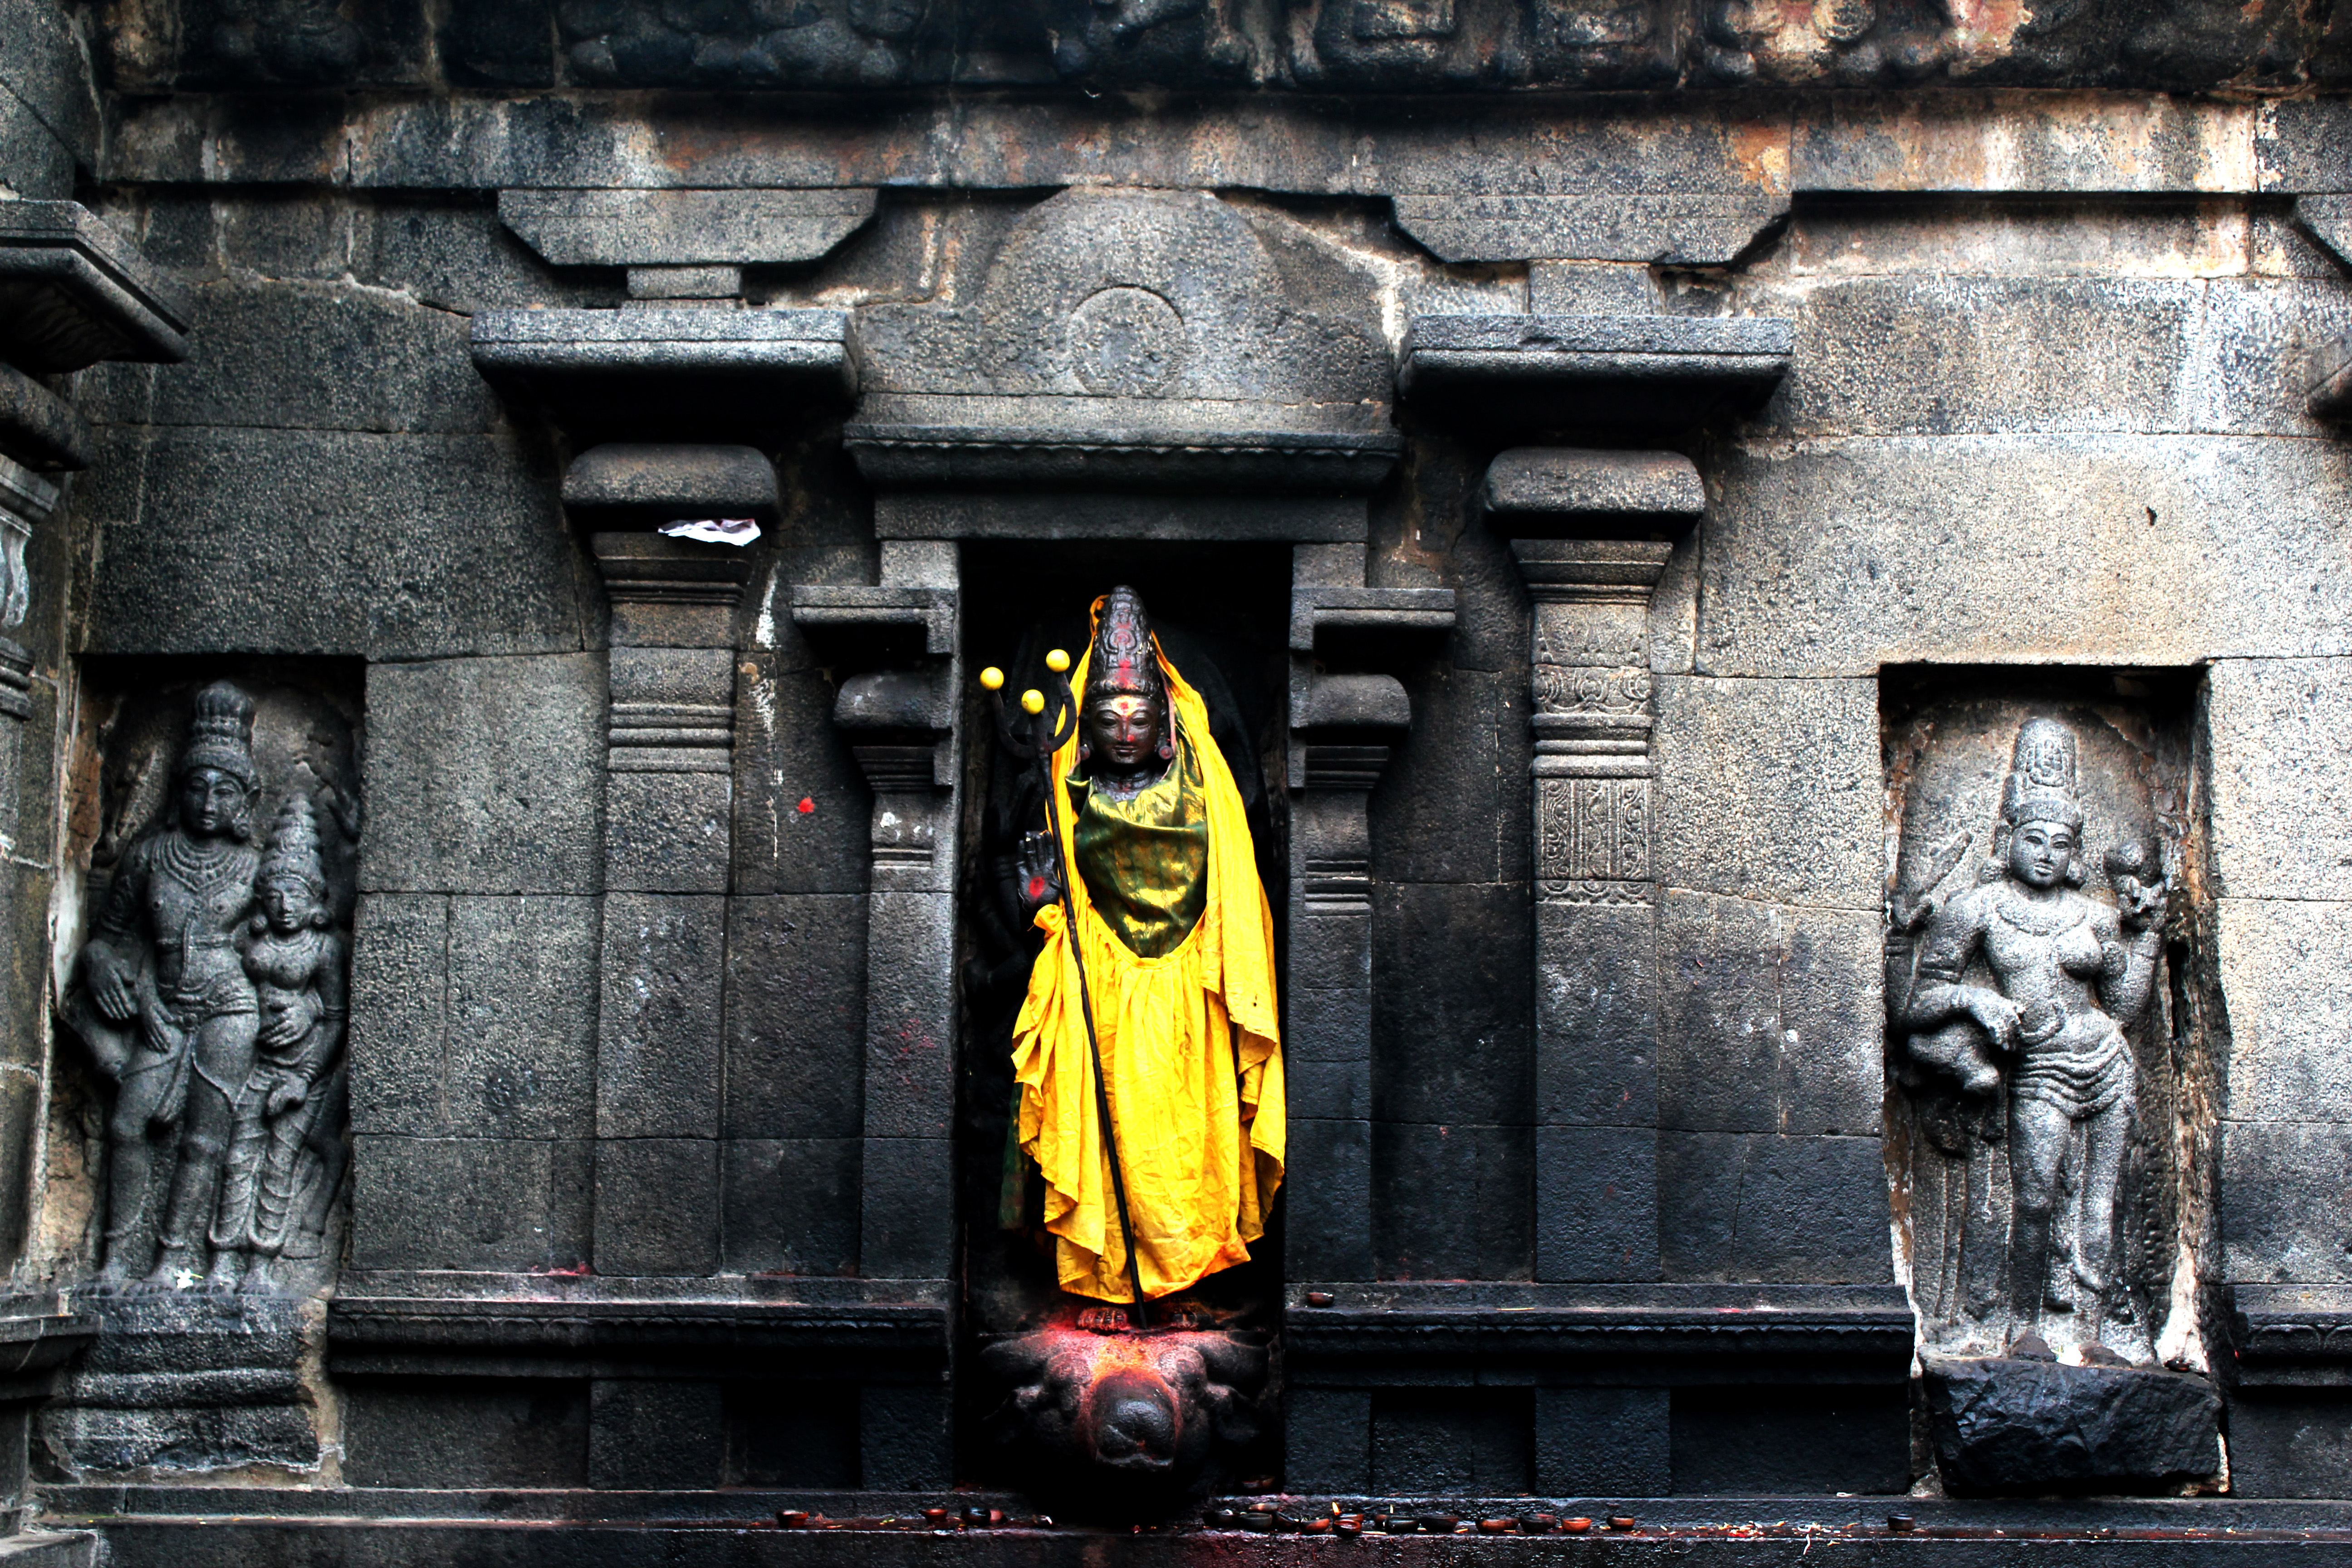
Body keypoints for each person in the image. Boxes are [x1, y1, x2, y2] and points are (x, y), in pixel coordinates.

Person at [1009, 587, 1284, 1307]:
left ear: (1167, 726)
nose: (1125, 728)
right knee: (1099, 1133)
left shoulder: (1203, 790)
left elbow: (1233, 877)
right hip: (1100, 976)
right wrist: (1043, 904)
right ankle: (1107, 1282)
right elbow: (1042, 894)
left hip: (1193, 983)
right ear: (1086, 728)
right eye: (1108, 715)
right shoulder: (1068, 791)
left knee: (1190, 1145)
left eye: (1139, 713)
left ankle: (1192, 1276)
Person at [1902, 719, 2164, 1348]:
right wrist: (1978, 1001)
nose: (2047, 853)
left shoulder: (2096, 918)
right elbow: (1917, 1005)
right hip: (2041, 1069)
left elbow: (2126, 1006)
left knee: (2103, 1208)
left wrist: (2148, 933)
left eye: (2060, 843)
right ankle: (2024, 1328)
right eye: (2034, 839)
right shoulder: (1978, 911)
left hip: (2105, 1061)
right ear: (2007, 838)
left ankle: (2094, 1332)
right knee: (2038, 1197)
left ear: (2076, 853)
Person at [67, 681, 264, 1289]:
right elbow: (105, 938)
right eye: (197, 786)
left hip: (230, 1008)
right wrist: (105, 971)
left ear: (244, 800)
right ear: (179, 792)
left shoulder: (255, 867)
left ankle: (174, 1259)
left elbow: (287, 941)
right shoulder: (150, 857)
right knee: (129, 1127)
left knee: (203, 1141)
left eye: (224, 790)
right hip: (162, 1009)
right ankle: (116, 1259)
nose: (208, 800)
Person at [212, 795, 348, 1294]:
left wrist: (302, 1077)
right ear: (262, 899)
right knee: (235, 1159)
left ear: (314, 898)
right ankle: (223, 1257)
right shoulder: (249, 943)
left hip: (301, 1070)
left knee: (279, 1164)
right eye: (275, 895)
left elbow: (336, 1019)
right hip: (253, 1062)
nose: (285, 905)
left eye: (295, 893)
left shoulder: (324, 948)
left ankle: (261, 1266)